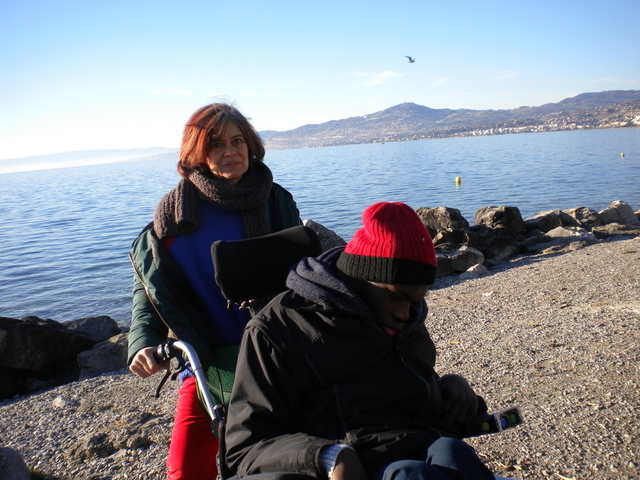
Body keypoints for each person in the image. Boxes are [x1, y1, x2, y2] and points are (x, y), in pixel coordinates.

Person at [225, 202, 497, 480]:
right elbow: (246, 445)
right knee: (411, 474)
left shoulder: (405, 316)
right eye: (396, 296)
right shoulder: (278, 330)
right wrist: (327, 456)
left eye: (416, 300)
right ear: (359, 278)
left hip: (420, 446)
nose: (404, 313)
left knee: (454, 453)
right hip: (346, 466)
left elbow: (410, 387)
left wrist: (450, 388)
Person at [127, 103, 301, 480]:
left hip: (277, 358)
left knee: (286, 460)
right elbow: (150, 291)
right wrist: (143, 341)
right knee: (185, 470)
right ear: (196, 154)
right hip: (205, 365)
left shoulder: (274, 202)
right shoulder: (170, 222)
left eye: (238, 141)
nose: (231, 151)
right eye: (217, 144)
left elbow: (303, 274)